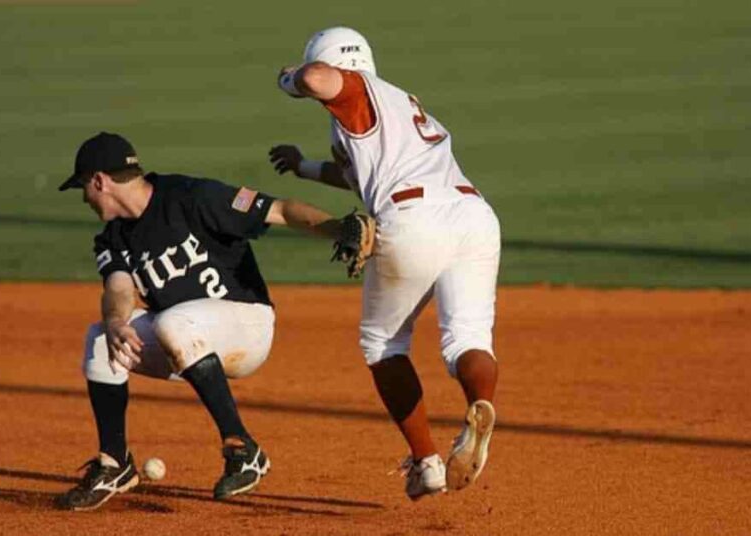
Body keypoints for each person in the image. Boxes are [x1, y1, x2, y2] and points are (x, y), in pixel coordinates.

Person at [55, 131, 362, 511]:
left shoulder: (191, 196)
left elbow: (279, 209)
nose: (84, 197)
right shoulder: (112, 239)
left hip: (247, 325)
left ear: (99, 180)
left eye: (83, 186)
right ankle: (114, 464)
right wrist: (118, 322)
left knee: (171, 323)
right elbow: (118, 288)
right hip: (188, 338)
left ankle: (241, 449)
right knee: (102, 339)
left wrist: (338, 229)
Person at [268, 27, 501, 501]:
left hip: (414, 222)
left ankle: (427, 463)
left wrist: (288, 78)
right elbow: (358, 174)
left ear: (339, 64)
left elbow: (315, 78)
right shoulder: (398, 106)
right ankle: (481, 404)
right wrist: (303, 166)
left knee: (382, 344)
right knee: (468, 339)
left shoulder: (354, 87)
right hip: (474, 215)